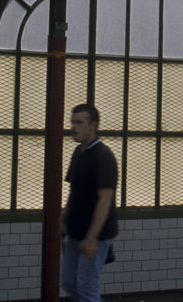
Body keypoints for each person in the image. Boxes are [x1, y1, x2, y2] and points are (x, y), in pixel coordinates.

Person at [60, 103, 118, 302]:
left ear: (92, 125)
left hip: (96, 233)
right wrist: (62, 220)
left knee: (86, 284)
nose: (73, 127)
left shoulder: (103, 156)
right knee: (69, 281)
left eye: (79, 123)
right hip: (75, 230)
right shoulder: (79, 153)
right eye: (72, 122)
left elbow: (105, 198)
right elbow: (73, 192)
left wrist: (92, 237)